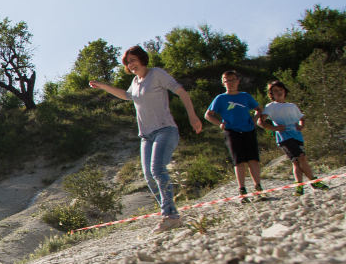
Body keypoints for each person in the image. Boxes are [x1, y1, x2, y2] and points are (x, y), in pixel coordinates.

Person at [89, 45, 203, 233]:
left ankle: (170, 216)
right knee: (149, 177)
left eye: (133, 60)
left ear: (142, 59)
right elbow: (127, 96)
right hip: (146, 136)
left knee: (157, 169)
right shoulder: (135, 82)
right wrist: (103, 86)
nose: (131, 64)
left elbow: (181, 91)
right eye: (127, 62)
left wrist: (192, 116)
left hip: (165, 130)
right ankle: (169, 212)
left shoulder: (156, 74)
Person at [204, 70, 266, 203]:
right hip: (232, 131)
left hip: (248, 130)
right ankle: (242, 190)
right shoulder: (220, 98)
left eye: (232, 80)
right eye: (227, 81)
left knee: (253, 159)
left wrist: (254, 119)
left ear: (238, 81)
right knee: (239, 161)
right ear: (223, 83)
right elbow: (208, 114)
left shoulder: (245, 96)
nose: (230, 83)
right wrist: (220, 124)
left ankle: (258, 187)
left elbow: (259, 109)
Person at [260, 79, 330, 196]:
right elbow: (260, 122)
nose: (279, 92)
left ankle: (300, 186)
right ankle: (313, 181)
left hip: (297, 136)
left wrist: (301, 126)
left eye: (280, 90)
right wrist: (275, 129)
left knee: (297, 161)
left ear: (285, 91)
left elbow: (302, 118)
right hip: (285, 138)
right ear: (271, 94)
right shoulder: (271, 106)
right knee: (300, 157)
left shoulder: (292, 106)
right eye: (275, 91)